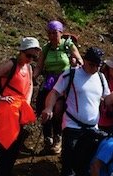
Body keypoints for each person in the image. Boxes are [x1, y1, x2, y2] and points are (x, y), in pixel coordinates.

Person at [40, 46, 109, 176]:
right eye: (92, 64)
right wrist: (48, 107)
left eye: (98, 65)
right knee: (69, 167)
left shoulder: (101, 78)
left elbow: (107, 98)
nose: (95, 68)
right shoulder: (70, 74)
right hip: (72, 126)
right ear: (84, 60)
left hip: (92, 129)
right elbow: (54, 92)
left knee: (84, 169)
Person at [0, 37, 39, 176]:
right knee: (6, 146)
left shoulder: (28, 68)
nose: (31, 59)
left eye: (34, 57)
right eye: (29, 55)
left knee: (14, 148)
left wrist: (27, 103)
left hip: (19, 108)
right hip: (8, 109)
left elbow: (29, 86)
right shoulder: (11, 64)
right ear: (21, 51)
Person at [36, 20, 83, 153]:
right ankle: (47, 138)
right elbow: (39, 66)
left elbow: (80, 60)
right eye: (49, 33)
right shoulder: (46, 48)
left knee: (58, 110)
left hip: (64, 80)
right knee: (45, 107)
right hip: (50, 80)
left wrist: (75, 62)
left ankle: (58, 138)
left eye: (54, 33)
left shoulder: (68, 45)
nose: (51, 36)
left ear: (61, 33)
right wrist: (32, 77)